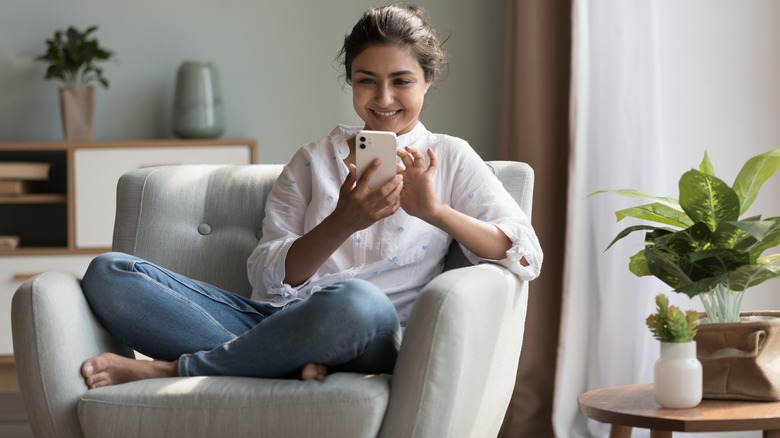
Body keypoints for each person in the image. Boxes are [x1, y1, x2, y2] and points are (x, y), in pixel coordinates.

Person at [80, 3, 543, 389]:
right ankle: (282, 361)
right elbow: (266, 279)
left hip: (368, 330)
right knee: (110, 272)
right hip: (274, 322)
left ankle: (173, 369)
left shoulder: (451, 157)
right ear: (351, 80)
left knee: (354, 301)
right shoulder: (312, 160)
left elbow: (524, 255)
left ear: (427, 81)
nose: (383, 98)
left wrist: (435, 212)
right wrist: (344, 221)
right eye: (367, 80)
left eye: (401, 81)